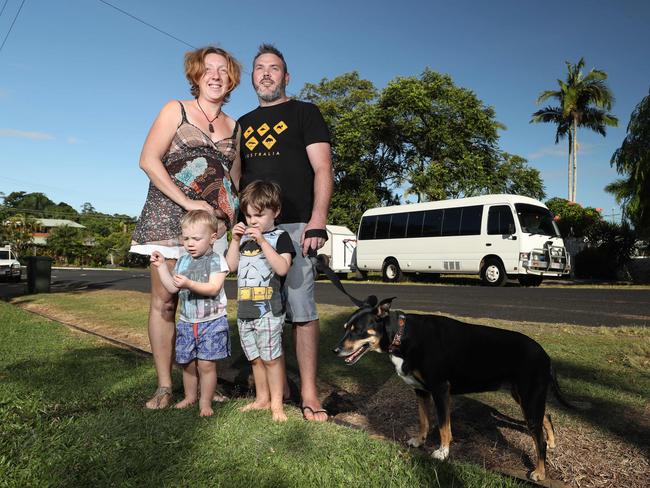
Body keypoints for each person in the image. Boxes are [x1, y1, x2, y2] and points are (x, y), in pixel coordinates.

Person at [130, 46, 241, 409]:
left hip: (209, 230)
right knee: (165, 301)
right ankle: (165, 386)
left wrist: (226, 221)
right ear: (195, 75)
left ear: (230, 79)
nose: (215, 75)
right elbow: (148, 160)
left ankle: (206, 383)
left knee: (207, 303)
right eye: (207, 69)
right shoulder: (174, 109)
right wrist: (188, 202)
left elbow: (232, 183)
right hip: (166, 216)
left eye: (222, 70)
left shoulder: (234, 127)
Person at [236, 44, 333, 422]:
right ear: (253, 78)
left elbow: (323, 169)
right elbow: (235, 175)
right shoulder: (242, 123)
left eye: (273, 69)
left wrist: (317, 221)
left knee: (301, 309)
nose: (265, 74)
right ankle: (274, 387)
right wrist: (235, 223)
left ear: (286, 77)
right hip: (251, 229)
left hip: (294, 226)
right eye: (259, 69)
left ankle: (309, 391)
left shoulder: (305, 113)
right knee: (260, 306)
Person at [225, 181, 295, 422]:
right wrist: (234, 241)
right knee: (254, 358)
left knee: (271, 359)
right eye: (248, 215)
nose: (252, 220)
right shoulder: (244, 239)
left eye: (259, 215)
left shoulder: (280, 237)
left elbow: (283, 268)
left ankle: (277, 404)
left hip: (268, 310)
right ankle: (261, 399)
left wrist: (264, 242)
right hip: (245, 309)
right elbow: (231, 266)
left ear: (275, 212)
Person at [150, 210, 230, 417]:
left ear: (212, 238)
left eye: (196, 238)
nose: (190, 243)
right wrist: (161, 268)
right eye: (186, 238)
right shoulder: (183, 261)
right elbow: (172, 288)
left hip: (211, 322)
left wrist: (189, 283)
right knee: (187, 363)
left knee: (205, 364)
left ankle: (205, 402)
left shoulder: (217, 261)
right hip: (187, 322)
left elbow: (213, 288)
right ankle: (189, 397)